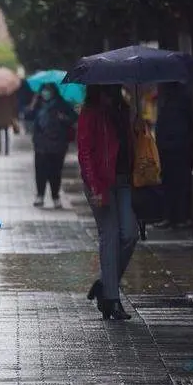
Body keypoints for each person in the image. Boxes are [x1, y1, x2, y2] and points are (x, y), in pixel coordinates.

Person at [77, 85, 138, 321]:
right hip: (101, 182)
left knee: (130, 234)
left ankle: (104, 283)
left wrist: (136, 126)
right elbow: (84, 152)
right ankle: (112, 300)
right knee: (110, 235)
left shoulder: (123, 109)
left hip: (123, 181)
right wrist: (94, 186)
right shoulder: (90, 112)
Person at [29, 84, 77, 209]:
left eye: (48, 90)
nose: (46, 93)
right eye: (44, 90)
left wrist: (63, 118)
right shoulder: (38, 104)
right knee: (40, 171)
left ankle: (55, 197)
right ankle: (40, 195)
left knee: (55, 172)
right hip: (41, 144)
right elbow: (28, 116)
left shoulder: (62, 104)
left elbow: (73, 118)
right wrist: (33, 104)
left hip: (58, 145)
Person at [156, 82, 193, 228]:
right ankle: (172, 216)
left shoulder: (183, 95)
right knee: (170, 182)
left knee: (180, 182)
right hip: (170, 146)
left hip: (180, 145)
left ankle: (180, 216)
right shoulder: (166, 96)